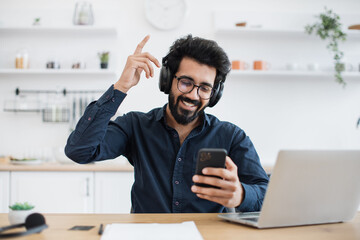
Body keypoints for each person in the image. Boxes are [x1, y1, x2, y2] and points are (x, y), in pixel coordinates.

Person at [65, 34, 269, 213]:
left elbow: (265, 193)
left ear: (214, 94)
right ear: (167, 80)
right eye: (186, 82)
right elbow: (79, 151)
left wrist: (241, 194)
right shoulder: (135, 126)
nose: (193, 95)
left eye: (205, 88)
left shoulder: (231, 136)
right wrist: (121, 87)